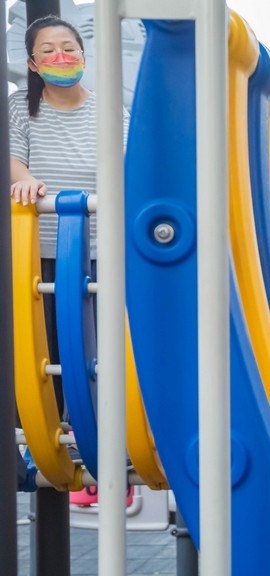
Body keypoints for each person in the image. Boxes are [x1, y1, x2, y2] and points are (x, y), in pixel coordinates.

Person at [8, 15, 126, 463]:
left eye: (68, 48)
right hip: (38, 252)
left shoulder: (111, 110)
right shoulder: (21, 108)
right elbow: (14, 161)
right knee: (40, 349)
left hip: (96, 250)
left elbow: (125, 168)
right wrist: (26, 182)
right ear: (34, 64)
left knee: (91, 347)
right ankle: (33, 443)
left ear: (82, 53)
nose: (61, 57)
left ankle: (97, 440)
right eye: (48, 51)